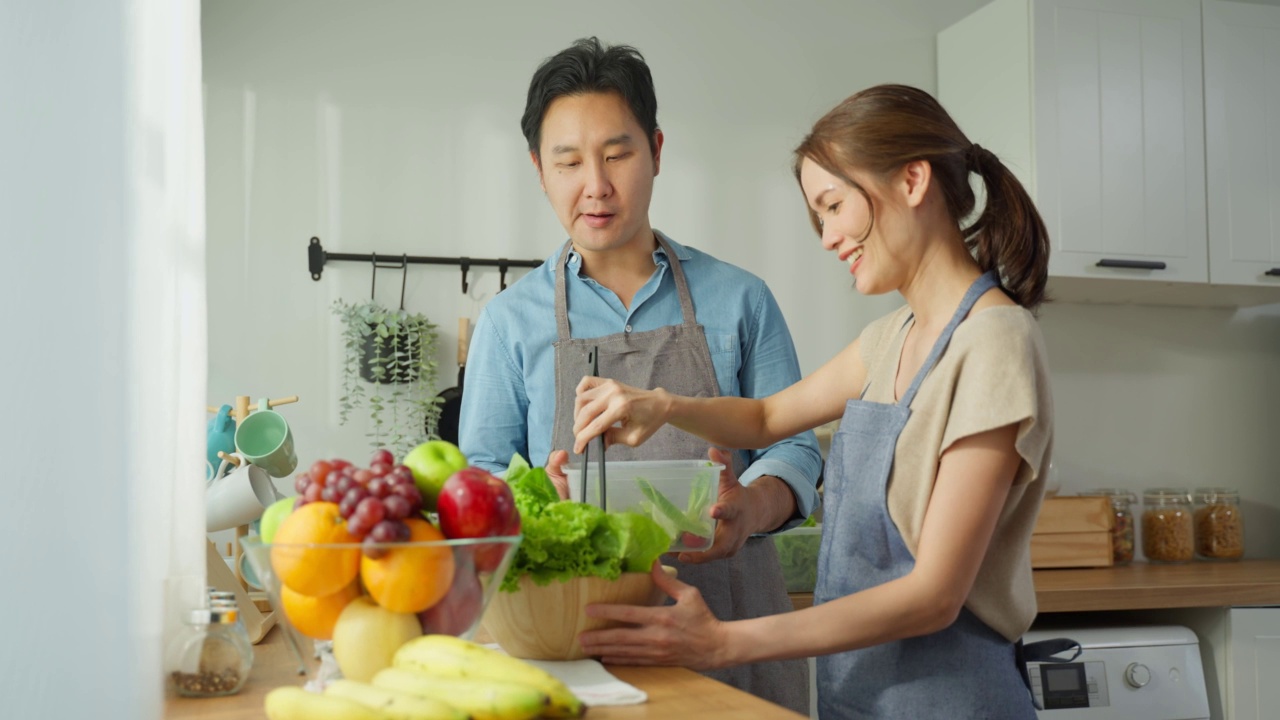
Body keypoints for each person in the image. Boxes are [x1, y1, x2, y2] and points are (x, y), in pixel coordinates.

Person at [570, 84, 1054, 719]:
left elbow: (935, 595)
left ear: (912, 181)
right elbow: (769, 416)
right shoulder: (893, 337)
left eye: (832, 207)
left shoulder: (994, 342)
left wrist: (722, 642)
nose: (827, 238)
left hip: (950, 698)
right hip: (860, 696)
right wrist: (661, 404)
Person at [456, 37, 821, 714]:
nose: (595, 185)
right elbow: (479, 474)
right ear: (539, 170)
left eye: (618, 154)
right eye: (568, 161)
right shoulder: (509, 321)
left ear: (656, 150)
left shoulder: (742, 300)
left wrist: (752, 510)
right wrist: (535, 495)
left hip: (734, 619)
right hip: (575, 635)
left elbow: (791, 445)